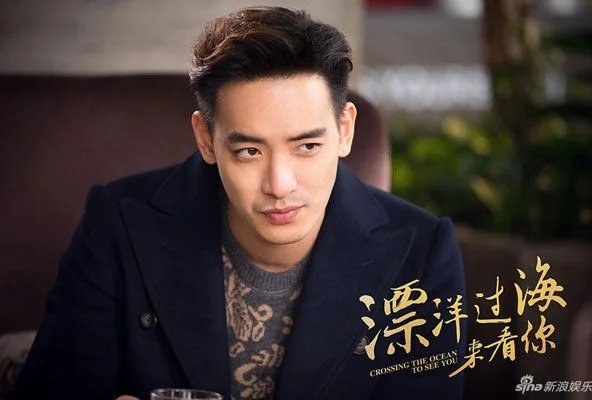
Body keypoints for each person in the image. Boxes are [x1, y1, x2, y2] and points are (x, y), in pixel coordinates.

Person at [11, 6, 466, 400]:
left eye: (307, 146)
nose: (279, 184)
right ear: (206, 140)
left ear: (344, 130)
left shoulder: (421, 254)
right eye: (249, 151)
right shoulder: (118, 223)